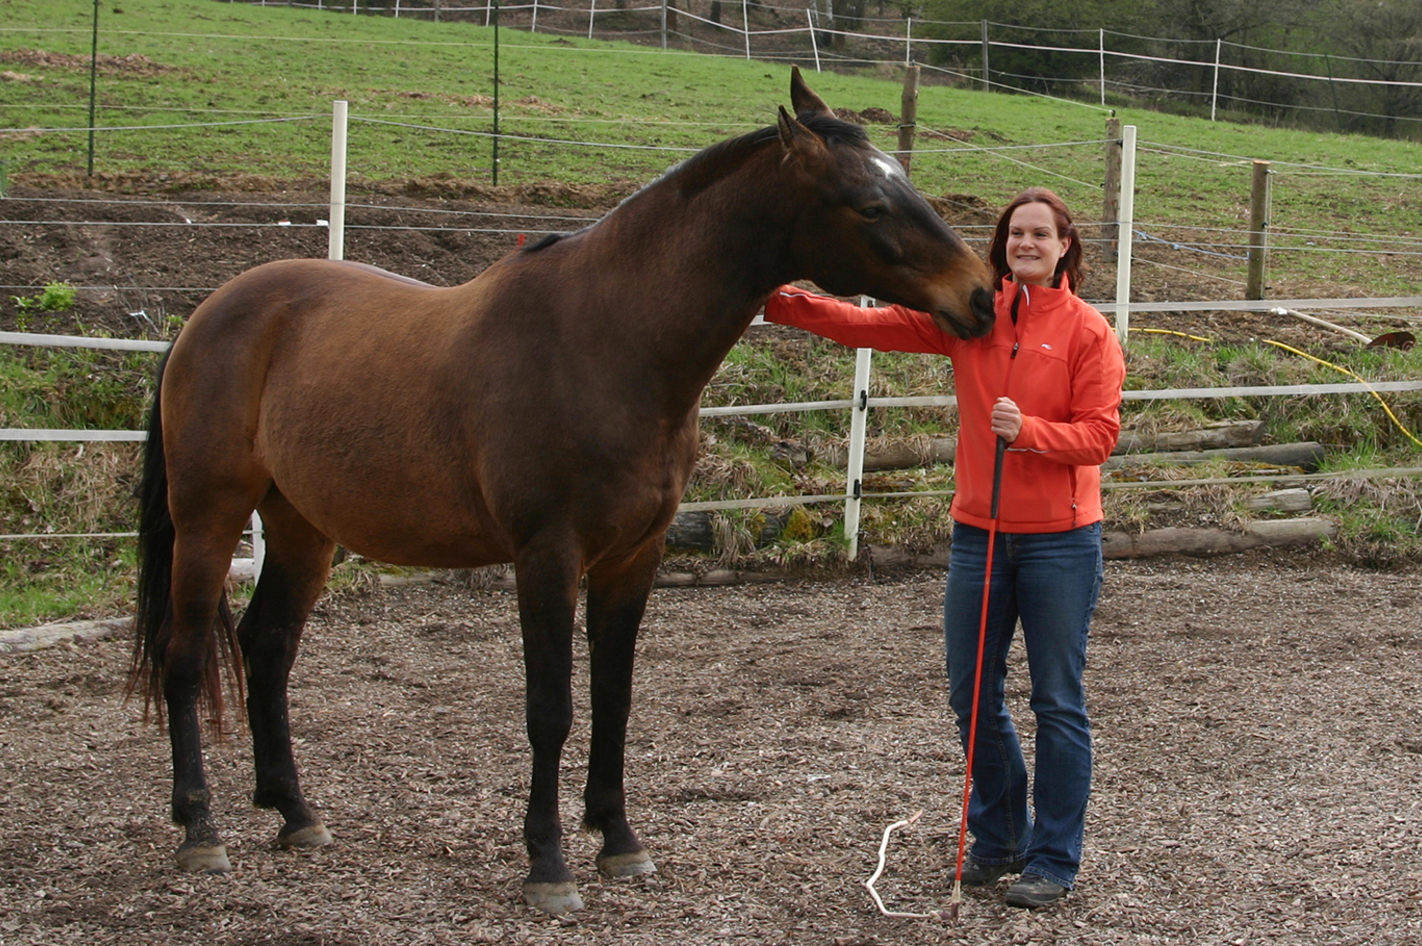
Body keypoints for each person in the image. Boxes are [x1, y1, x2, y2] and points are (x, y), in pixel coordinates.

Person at [763, 188, 1125, 909]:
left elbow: (1100, 436)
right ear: (1002, 246)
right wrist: (780, 301)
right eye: (1015, 234)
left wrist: (1029, 433)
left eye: (1039, 234)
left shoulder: (1089, 333)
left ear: (1063, 247)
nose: (1026, 244)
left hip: (1061, 544)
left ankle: (1053, 859)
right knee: (971, 698)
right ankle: (999, 839)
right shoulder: (970, 318)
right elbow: (868, 325)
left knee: (1057, 703)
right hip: (978, 539)